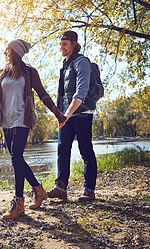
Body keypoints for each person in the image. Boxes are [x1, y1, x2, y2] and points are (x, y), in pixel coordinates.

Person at [0, 39, 67, 219]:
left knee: (16, 158)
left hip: (22, 120)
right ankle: (38, 190)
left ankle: (18, 202)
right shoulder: (2, 73)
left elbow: (43, 95)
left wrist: (58, 114)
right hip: (6, 122)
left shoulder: (30, 72)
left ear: (14, 51)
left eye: (7, 49)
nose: (4, 53)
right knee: (16, 160)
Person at [47, 31, 98, 202]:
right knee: (62, 150)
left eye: (65, 44)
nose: (61, 47)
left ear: (74, 44)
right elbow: (62, 94)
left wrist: (66, 115)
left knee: (85, 151)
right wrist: (60, 114)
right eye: (60, 44)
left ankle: (89, 190)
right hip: (66, 116)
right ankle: (61, 188)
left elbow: (81, 92)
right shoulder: (65, 65)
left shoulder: (82, 62)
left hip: (82, 114)